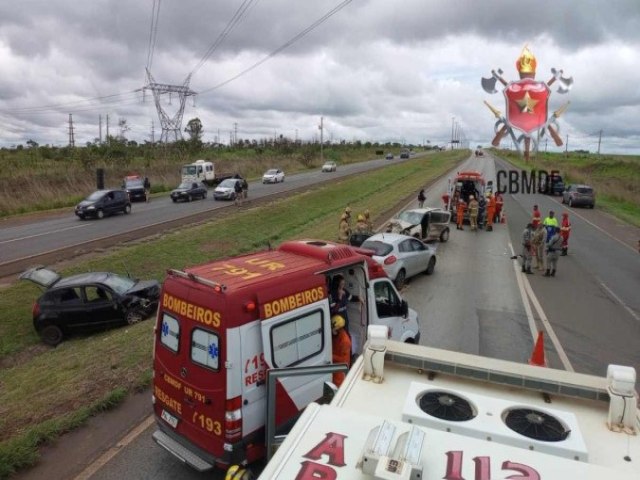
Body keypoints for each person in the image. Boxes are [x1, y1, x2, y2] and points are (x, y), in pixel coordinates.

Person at [330, 314, 351, 387]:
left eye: (333, 329)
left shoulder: (345, 341)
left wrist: (331, 356)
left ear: (338, 329)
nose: (332, 331)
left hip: (340, 370)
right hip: (333, 366)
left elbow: (344, 360)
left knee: (337, 388)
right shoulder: (336, 336)